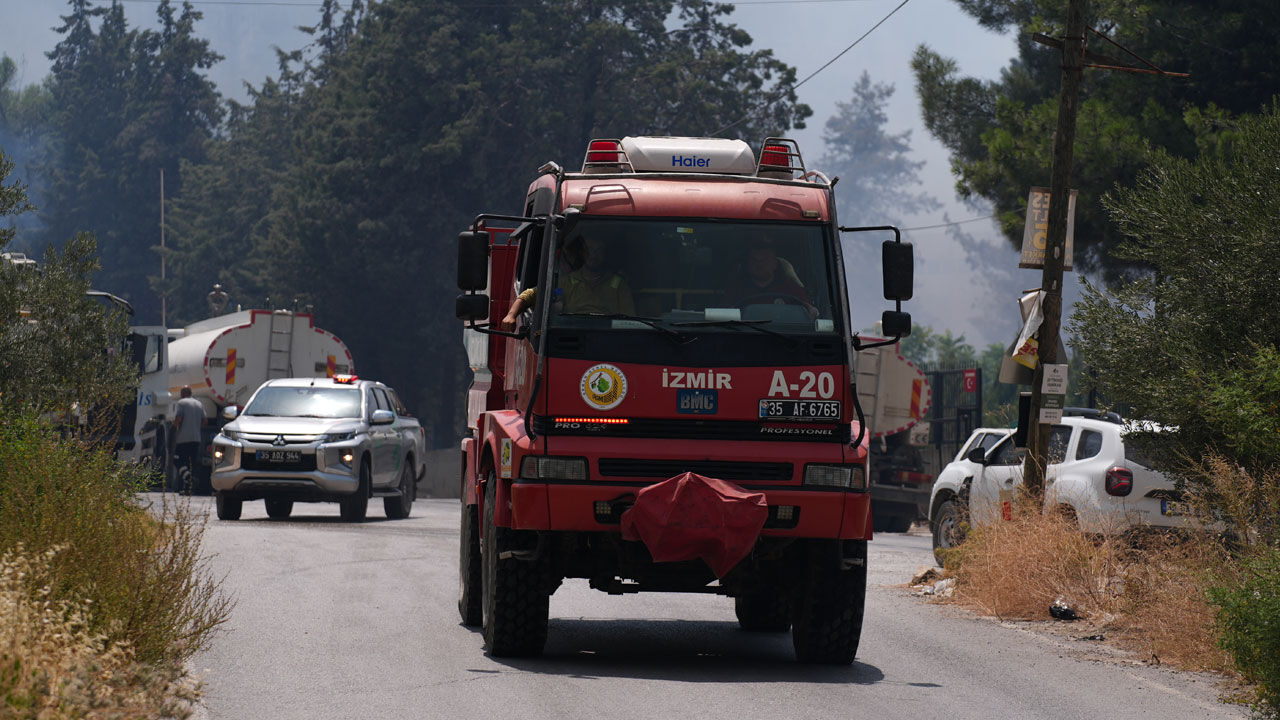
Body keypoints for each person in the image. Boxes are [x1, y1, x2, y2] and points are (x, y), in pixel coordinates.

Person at [501, 236, 634, 329]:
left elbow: (629, 321)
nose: (594, 254)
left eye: (599, 250)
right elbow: (532, 294)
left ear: (605, 254)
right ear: (582, 253)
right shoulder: (566, 284)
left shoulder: (618, 285)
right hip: (572, 336)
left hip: (607, 337)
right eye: (590, 250)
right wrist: (511, 315)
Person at [725, 237, 816, 317]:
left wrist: (810, 309)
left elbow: (810, 313)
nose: (759, 264)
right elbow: (723, 314)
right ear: (748, 264)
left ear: (775, 264)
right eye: (754, 260)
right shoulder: (737, 288)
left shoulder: (791, 288)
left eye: (765, 260)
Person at [172, 386, 205, 478]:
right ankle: (190, 485)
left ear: (182, 394)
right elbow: (204, 421)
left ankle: (187, 478)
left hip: (183, 439)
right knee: (192, 463)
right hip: (196, 439)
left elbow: (179, 418)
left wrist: (173, 428)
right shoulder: (199, 404)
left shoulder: (181, 403)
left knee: (177, 460)